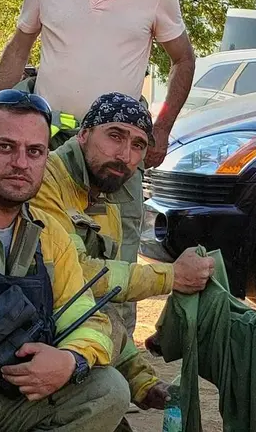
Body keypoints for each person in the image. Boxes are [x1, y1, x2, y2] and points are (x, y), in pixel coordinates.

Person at [0, 0, 196, 341]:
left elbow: (184, 58)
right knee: (29, 250)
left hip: (115, 152)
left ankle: (116, 377)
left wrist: (160, 128)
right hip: (48, 144)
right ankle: (25, 352)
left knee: (117, 258)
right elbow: (19, 45)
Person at [29, 92, 215, 415]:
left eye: (138, 145)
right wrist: (171, 276)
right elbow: (81, 279)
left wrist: (140, 380)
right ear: (84, 134)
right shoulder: (45, 179)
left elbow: (103, 306)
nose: (125, 156)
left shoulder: (107, 201)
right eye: (115, 136)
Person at [0, 89, 130, 431]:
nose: (21, 163)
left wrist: (69, 362)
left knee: (107, 390)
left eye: (35, 151)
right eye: (5, 147)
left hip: (16, 397)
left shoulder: (48, 233)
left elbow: (88, 319)